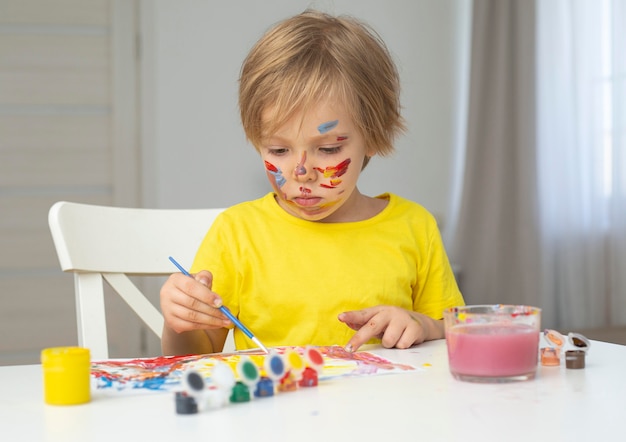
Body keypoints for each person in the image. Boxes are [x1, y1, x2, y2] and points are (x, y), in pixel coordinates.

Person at [160, 9, 464, 356]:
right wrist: (178, 320)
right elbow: (191, 358)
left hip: (383, 409)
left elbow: (454, 336)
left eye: (328, 148)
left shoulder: (413, 227)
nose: (301, 172)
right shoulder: (237, 233)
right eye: (278, 148)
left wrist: (422, 325)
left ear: (375, 136)